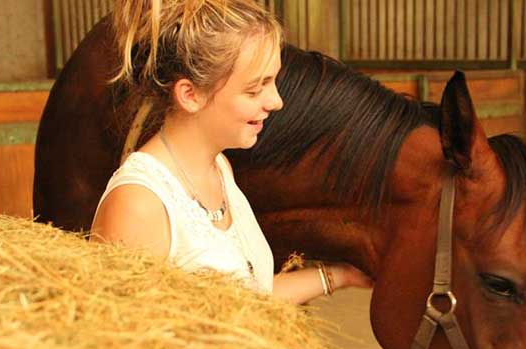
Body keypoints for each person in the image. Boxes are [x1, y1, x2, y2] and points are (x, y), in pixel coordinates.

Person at [90, 0, 372, 304]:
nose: (276, 101)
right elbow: (122, 338)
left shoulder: (219, 168)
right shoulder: (138, 205)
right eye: (254, 89)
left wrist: (340, 276)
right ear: (191, 94)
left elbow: (246, 300)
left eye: (273, 82)